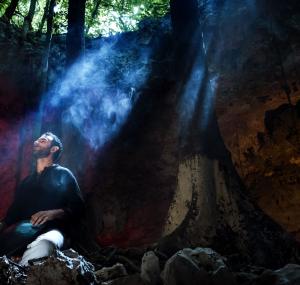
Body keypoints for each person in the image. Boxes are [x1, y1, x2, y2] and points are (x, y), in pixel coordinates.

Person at [0, 132, 85, 266]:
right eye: (37, 140)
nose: (37, 142)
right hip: (23, 231)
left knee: (45, 246)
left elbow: (79, 208)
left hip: (53, 230)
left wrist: (54, 213)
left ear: (54, 149)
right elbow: (12, 214)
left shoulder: (63, 174)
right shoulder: (27, 182)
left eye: (43, 140)